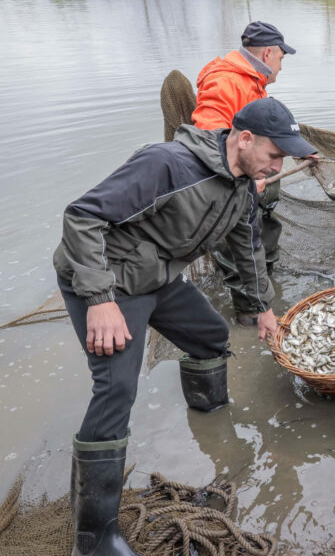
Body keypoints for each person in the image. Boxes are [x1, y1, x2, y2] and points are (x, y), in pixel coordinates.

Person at [53, 98, 317, 556]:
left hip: (157, 276)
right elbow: (82, 217)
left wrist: (262, 308)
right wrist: (99, 300)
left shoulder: (243, 185)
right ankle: (94, 537)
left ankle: (212, 421)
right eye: (276, 155)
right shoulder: (168, 165)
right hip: (106, 279)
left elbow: (248, 245)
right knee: (116, 388)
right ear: (245, 139)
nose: (279, 166)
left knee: (211, 337)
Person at [193, 21, 296, 325]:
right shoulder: (227, 82)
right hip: (236, 191)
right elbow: (207, 134)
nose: (281, 65)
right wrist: (241, 179)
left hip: (257, 191)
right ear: (267, 54)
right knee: (239, 249)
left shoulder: (253, 82)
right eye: (280, 58)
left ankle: (266, 292)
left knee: (263, 237)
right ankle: (250, 317)